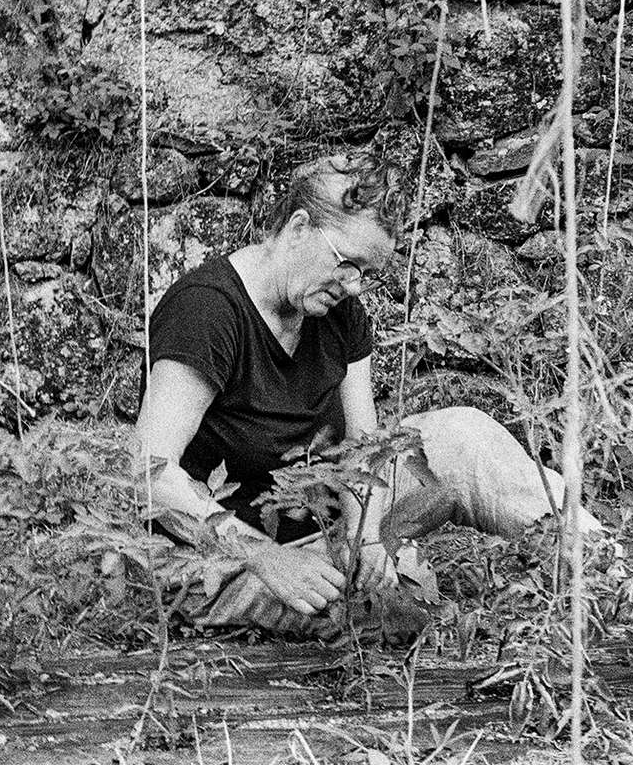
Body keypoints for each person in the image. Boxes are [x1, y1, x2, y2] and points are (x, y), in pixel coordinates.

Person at [133, 151, 603, 635]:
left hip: (326, 524)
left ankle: (610, 567)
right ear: (298, 228)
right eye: (347, 264)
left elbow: (365, 450)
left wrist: (371, 539)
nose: (354, 287)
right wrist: (266, 557)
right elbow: (150, 473)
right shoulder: (206, 312)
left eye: (367, 273)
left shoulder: (336, 311)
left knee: (464, 435)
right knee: (382, 620)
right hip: (220, 550)